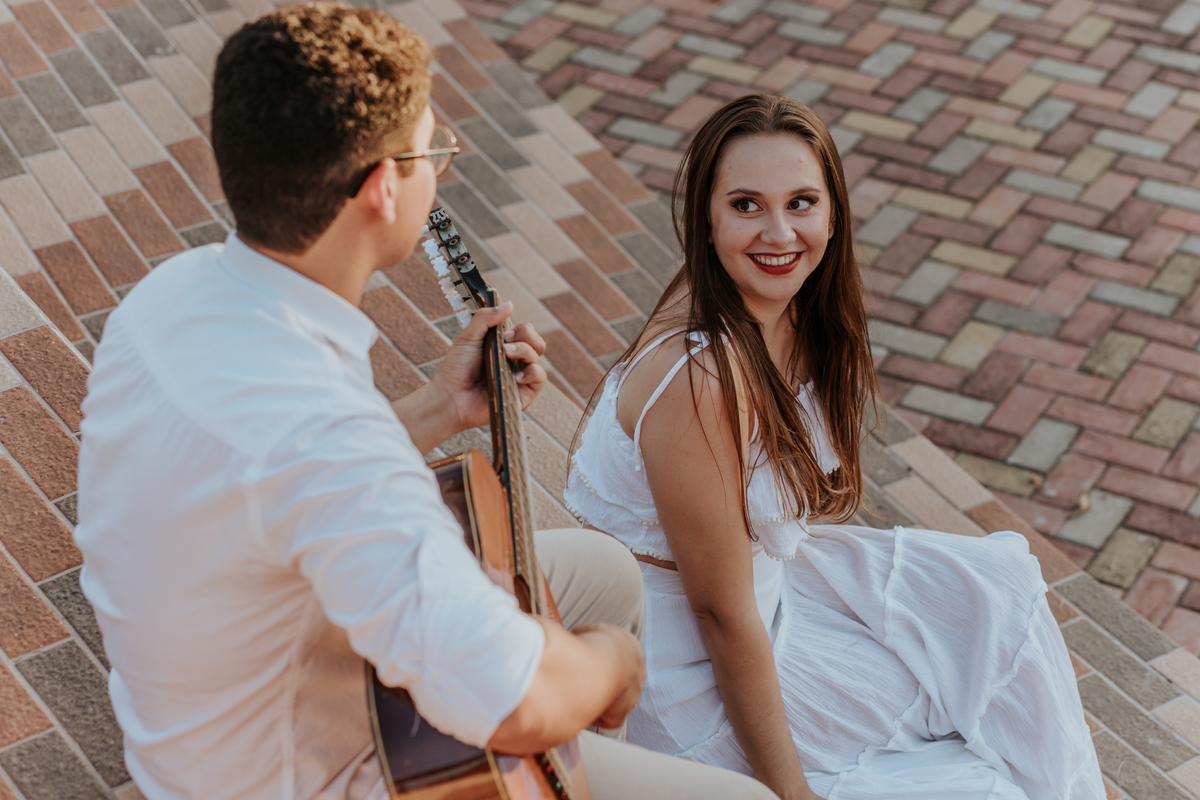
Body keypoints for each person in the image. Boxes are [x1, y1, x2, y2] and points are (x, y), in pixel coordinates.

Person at [73, 6, 779, 800]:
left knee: (608, 572)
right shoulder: (329, 439)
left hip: (223, 687)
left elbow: (269, 489)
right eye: (433, 152)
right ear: (381, 188)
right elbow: (516, 703)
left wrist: (441, 408)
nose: (439, 169)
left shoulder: (165, 298)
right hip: (299, 771)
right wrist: (611, 666)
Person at [563, 93, 1105, 800]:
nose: (779, 232)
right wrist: (791, 793)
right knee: (973, 780)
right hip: (694, 671)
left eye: (801, 203)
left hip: (771, 594)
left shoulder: (792, 313)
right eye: (747, 205)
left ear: (832, 213)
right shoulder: (700, 378)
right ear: (707, 216)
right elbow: (721, 617)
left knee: (998, 600)